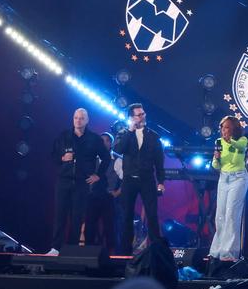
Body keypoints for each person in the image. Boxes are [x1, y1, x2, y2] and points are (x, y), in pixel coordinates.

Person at [47, 108, 110, 256]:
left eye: (81, 118)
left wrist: (97, 175)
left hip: (81, 183)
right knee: (60, 215)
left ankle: (71, 249)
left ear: (87, 120)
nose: (78, 121)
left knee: (77, 217)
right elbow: (53, 155)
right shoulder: (64, 136)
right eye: (76, 118)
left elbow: (106, 158)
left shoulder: (94, 139)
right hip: (64, 181)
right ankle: (55, 248)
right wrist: (63, 158)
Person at [113, 103, 165, 255]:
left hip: (147, 179)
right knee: (127, 215)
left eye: (143, 114)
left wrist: (161, 181)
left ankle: (156, 251)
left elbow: (159, 161)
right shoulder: (123, 133)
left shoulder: (154, 136)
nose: (142, 117)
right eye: (138, 115)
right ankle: (124, 253)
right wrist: (130, 130)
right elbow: (118, 149)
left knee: (152, 215)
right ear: (131, 117)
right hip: (129, 179)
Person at [209, 115, 248, 262]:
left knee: (232, 215)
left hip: (238, 178)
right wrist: (216, 158)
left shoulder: (242, 140)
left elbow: (241, 148)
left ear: (233, 128)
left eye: (226, 127)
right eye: (222, 127)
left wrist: (230, 140)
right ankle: (216, 251)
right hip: (224, 178)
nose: (223, 130)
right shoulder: (218, 142)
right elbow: (216, 166)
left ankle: (229, 253)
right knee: (220, 215)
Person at [84, 132, 122, 253]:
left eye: (106, 140)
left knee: (109, 227)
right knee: (89, 227)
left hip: (108, 197)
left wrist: (117, 192)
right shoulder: (92, 158)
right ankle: (88, 254)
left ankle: (112, 254)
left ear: (110, 143)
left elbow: (127, 179)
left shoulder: (117, 159)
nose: (103, 143)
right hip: (92, 197)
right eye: (101, 140)